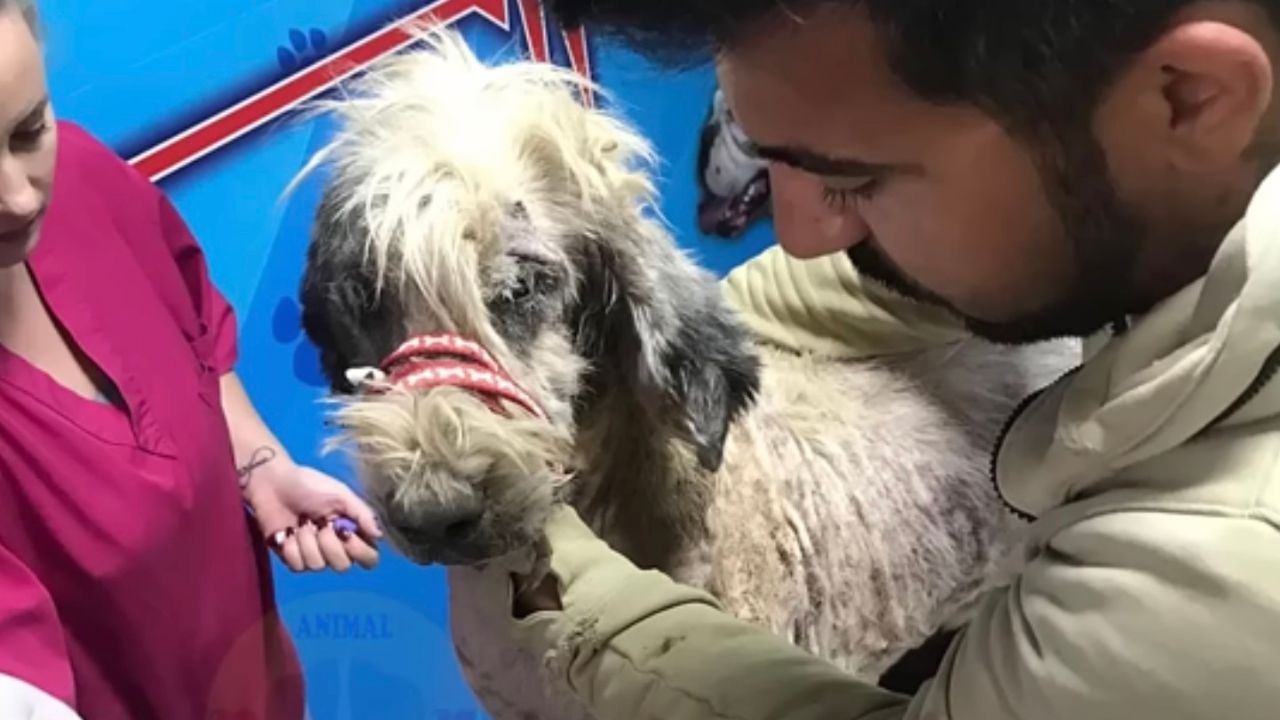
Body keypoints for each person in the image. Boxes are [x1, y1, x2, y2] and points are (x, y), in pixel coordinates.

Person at [473, 1, 1280, 719]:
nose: (802, 233)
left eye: (854, 183)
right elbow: (909, 281)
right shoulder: (1167, 185)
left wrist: (549, 579)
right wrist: (671, 336)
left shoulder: (1206, 590)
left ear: (1188, 97)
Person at [0, 2, 384, 718]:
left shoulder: (83, 178)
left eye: (28, 131)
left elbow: (193, 330)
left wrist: (261, 467)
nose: (19, 196)